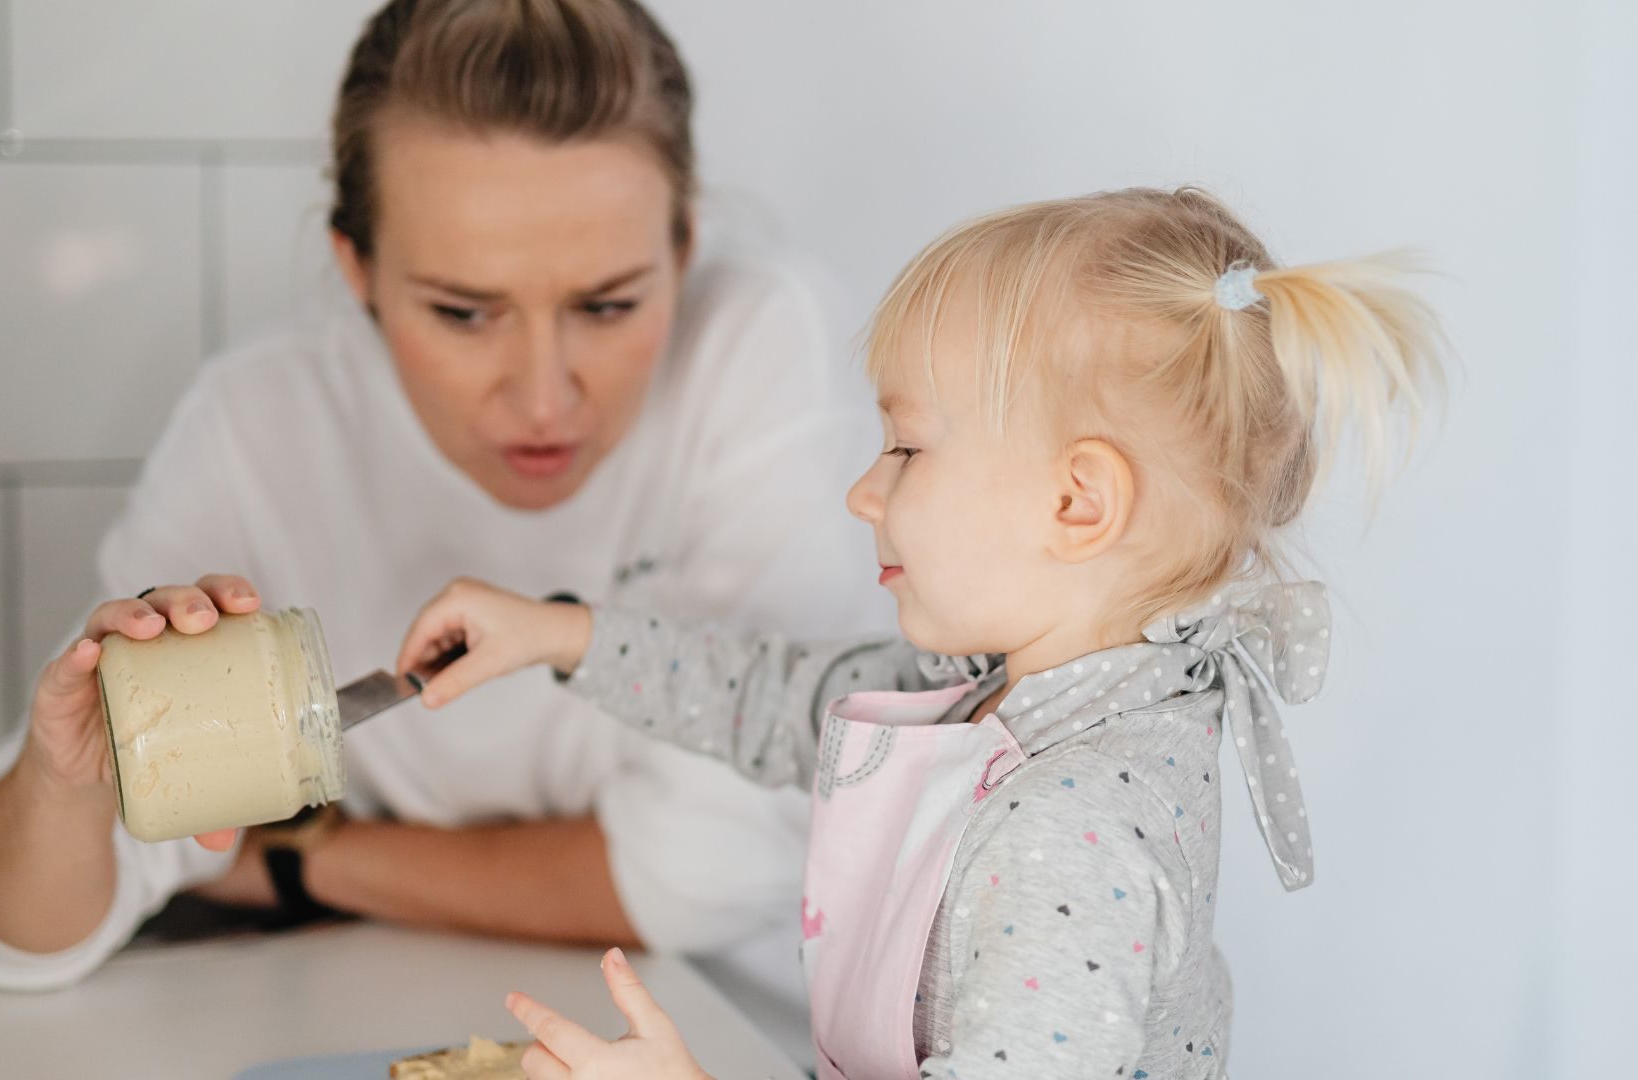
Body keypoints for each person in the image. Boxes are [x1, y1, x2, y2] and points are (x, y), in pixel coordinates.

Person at [0, 0, 880, 1037]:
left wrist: (296, 858)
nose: (544, 400)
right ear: (359, 272)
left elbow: (711, 871)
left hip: (733, 1030)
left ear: (685, 248)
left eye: (608, 305)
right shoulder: (262, 427)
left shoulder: (759, 344)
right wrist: (68, 786)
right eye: (463, 314)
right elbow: (12, 943)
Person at [395, 187, 1446, 1078]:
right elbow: (770, 696)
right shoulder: (988, 697)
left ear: (1077, 503)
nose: (864, 491)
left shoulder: (1065, 830)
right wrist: (557, 635)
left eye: (906, 448)